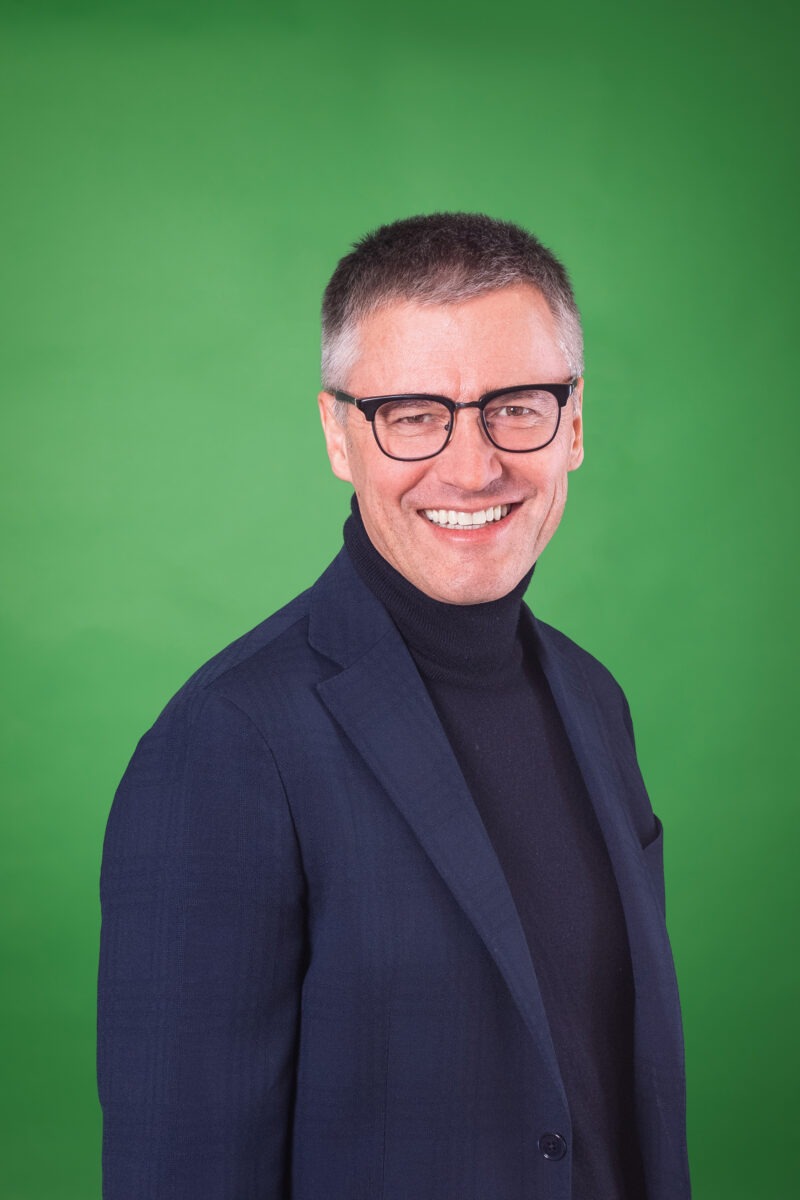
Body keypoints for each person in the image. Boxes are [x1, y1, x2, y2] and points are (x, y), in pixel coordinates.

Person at [98, 213, 690, 1200]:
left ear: (575, 422)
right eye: (413, 415)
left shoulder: (594, 700)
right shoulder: (227, 744)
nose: (472, 467)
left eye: (516, 407)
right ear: (338, 435)